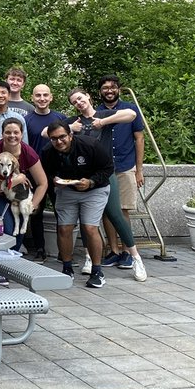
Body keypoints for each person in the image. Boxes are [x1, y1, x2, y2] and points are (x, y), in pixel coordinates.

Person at [67, 86, 146, 282]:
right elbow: (46, 133)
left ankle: (136, 258)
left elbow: (130, 114)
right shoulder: (74, 122)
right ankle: (88, 257)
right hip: (84, 176)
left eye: (80, 98)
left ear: (88, 96)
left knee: (116, 215)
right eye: (74, 102)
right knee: (86, 221)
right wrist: (70, 129)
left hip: (105, 174)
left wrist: (103, 122)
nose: (78, 102)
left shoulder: (104, 114)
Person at [39, 120, 113, 289]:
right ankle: (66, 268)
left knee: (90, 228)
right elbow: (45, 172)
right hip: (67, 190)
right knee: (64, 228)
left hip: (95, 189)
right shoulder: (47, 151)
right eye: (54, 138)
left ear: (71, 135)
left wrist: (92, 182)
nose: (59, 142)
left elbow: (108, 168)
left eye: (62, 137)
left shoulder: (90, 145)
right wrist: (54, 180)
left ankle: (97, 271)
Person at [97, 74, 147, 273]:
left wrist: (139, 169)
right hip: (104, 169)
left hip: (126, 166)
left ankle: (128, 251)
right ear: (100, 91)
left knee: (124, 209)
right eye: (105, 88)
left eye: (113, 87)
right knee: (108, 211)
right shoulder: (96, 112)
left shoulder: (130, 109)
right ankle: (114, 250)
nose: (109, 91)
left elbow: (139, 139)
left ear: (118, 89)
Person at [0, 117, 48, 252]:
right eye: (8, 132)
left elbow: (43, 183)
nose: (12, 136)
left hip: (17, 195)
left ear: (22, 134)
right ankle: (0, 264)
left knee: (22, 224)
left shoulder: (28, 153)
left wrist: (32, 205)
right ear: (2, 134)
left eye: (16, 132)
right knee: (8, 229)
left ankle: (13, 261)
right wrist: (18, 179)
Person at [23, 84, 69, 260]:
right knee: (36, 211)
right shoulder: (26, 120)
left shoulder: (60, 118)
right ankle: (40, 249)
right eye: (38, 95)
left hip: (58, 173)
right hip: (34, 173)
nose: (41, 98)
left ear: (51, 97)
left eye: (45, 95)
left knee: (62, 212)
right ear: (32, 98)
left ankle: (63, 251)